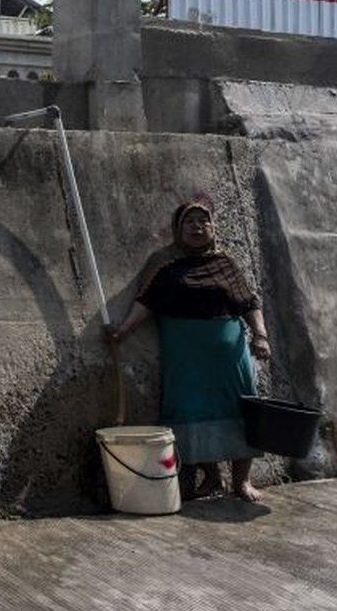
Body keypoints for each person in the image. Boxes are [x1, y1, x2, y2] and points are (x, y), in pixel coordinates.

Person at [107, 195, 270, 502]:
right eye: (189, 222)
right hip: (186, 356)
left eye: (203, 221)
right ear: (177, 229)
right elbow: (146, 302)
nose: (197, 227)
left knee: (240, 410)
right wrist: (122, 331)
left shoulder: (225, 263)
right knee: (191, 414)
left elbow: (249, 303)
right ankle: (211, 477)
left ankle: (242, 481)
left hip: (229, 356)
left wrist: (261, 335)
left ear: (213, 226)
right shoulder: (164, 263)